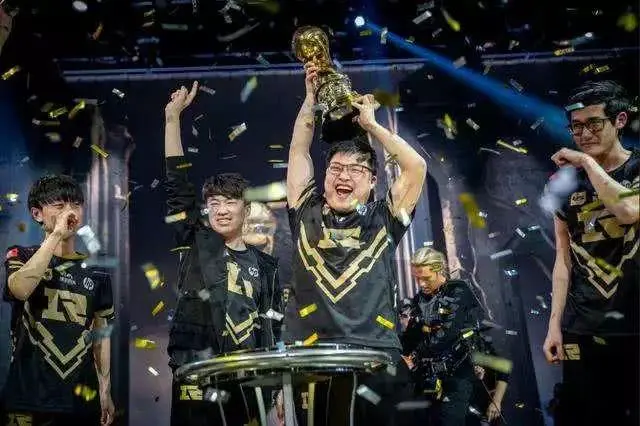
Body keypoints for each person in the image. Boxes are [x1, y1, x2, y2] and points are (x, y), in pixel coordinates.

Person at [285, 61, 427, 425]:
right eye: (335, 168)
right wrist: (310, 99)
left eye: (356, 170)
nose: (343, 176)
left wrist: (372, 126)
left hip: (376, 354)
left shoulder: (385, 217)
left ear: (373, 181)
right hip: (314, 355)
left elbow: (416, 167)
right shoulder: (305, 210)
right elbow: (299, 152)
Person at [164, 81, 283, 426]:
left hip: (248, 378)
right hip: (198, 372)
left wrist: (276, 385)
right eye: (214, 203)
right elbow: (177, 187)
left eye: (230, 202)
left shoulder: (266, 266)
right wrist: (172, 119)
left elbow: (274, 326)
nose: (221, 210)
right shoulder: (195, 242)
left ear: (246, 209)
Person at [542, 80, 639, 426]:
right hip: (583, 325)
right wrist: (554, 325)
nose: (584, 134)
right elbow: (562, 259)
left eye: (594, 123)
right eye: (576, 126)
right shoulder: (562, 184)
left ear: (620, 120)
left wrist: (585, 161)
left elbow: (628, 211)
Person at [2, 175, 115, 426]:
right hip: (28, 398)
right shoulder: (21, 254)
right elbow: (19, 290)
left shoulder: (97, 272)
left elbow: (101, 335)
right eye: (60, 205)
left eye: (76, 204)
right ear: (37, 214)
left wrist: (105, 389)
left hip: (80, 400)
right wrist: (55, 235)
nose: (70, 212)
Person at [403, 247, 484, 426]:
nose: (421, 284)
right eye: (417, 278)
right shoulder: (418, 300)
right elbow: (410, 337)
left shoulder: (458, 290)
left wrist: (420, 344)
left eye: (426, 278)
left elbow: (446, 334)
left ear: (439, 269)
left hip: (457, 377)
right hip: (426, 380)